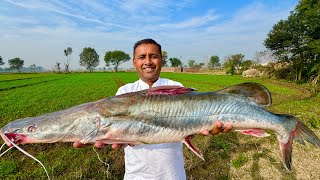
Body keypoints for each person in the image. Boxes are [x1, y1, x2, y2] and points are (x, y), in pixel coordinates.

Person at [74, 38, 232, 179]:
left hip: (173, 174)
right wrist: (97, 136)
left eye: (154, 56)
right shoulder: (124, 93)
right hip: (136, 175)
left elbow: (189, 128)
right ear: (134, 61)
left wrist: (207, 127)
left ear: (161, 60)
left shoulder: (177, 88)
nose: (148, 61)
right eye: (142, 57)